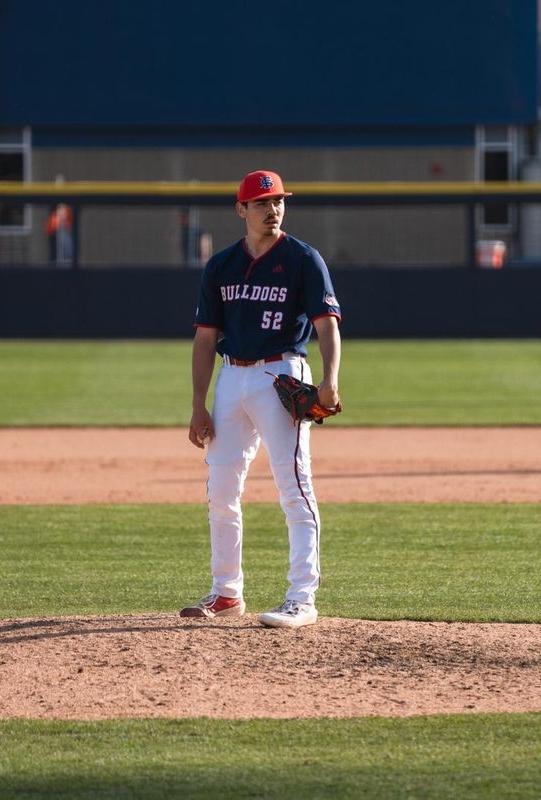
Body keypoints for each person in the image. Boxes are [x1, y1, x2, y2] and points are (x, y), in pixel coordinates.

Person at [183, 170, 342, 629]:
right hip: (231, 378)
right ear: (241, 210)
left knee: (293, 486)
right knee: (220, 489)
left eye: (278, 202)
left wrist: (329, 379)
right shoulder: (222, 266)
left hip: (281, 374)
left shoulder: (303, 259)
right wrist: (198, 403)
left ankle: (302, 598)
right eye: (262, 203)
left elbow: (327, 325)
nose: (272, 210)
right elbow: (205, 338)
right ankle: (227, 592)